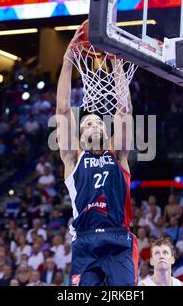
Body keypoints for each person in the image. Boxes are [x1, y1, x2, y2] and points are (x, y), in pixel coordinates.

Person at [56, 21, 138, 286]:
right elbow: (62, 112)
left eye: (99, 122)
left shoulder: (118, 155)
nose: (94, 124)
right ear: (79, 136)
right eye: (88, 123)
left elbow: (124, 112)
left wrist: (115, 63)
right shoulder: (73, 158)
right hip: (85, 241)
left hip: (118, 238)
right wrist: (68, 61)